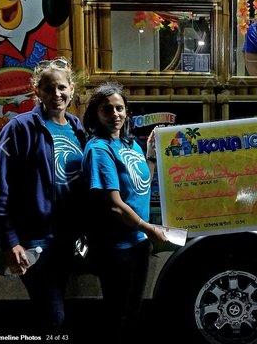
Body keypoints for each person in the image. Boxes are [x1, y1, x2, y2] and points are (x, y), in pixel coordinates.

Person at [0, 57, 86, 329]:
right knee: (52, 316)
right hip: (34, 240)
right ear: (37, 91)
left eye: (61, 88)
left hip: (68, 239)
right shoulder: (20, 128)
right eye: (48, 88)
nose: (56, 94)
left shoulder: (76, 128)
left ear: (71, 89)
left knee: (56, 310)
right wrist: (11, 241)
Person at [81, 82, 167, 343]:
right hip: (116, 249)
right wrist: (149, 227)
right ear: (96, 113)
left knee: (133, 314)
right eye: (107, 109)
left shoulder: (131, 145)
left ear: (127, 113)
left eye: (120, 108)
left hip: (138, 243)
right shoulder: (99, 149)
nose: (115, 114)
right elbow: (115, 205)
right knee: (117, 317)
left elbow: (142, 185)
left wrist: (151, 154)